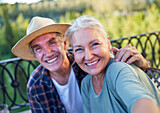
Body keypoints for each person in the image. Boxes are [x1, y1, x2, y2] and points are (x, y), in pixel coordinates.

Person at [11, 16, 150, 113]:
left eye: (52, 42)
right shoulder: (36, 85)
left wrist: (142, 65)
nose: (47, 53)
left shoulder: (86, 63)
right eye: (38, 48)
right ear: (35, 56)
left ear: (65, 44)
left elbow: (129, 78)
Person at [65, 15, 160, 113]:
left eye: (95, 44)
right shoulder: (86, 85)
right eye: (79, 49)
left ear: (108, 43)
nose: (88, 56)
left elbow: (141, 101)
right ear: (73, 53)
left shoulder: (117, 69)